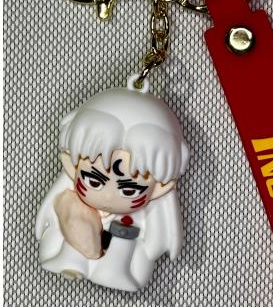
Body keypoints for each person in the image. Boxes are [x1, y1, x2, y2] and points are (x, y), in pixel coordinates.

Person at [35, 80, 189, 291]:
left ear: (159, 189)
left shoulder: (148, 214)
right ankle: (72, 260)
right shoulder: (71, 198)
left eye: (129, 190)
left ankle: (113, 273)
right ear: (72, 167)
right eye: (94, 181)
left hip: (124, 239)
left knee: (123, 246)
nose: (108, 197)